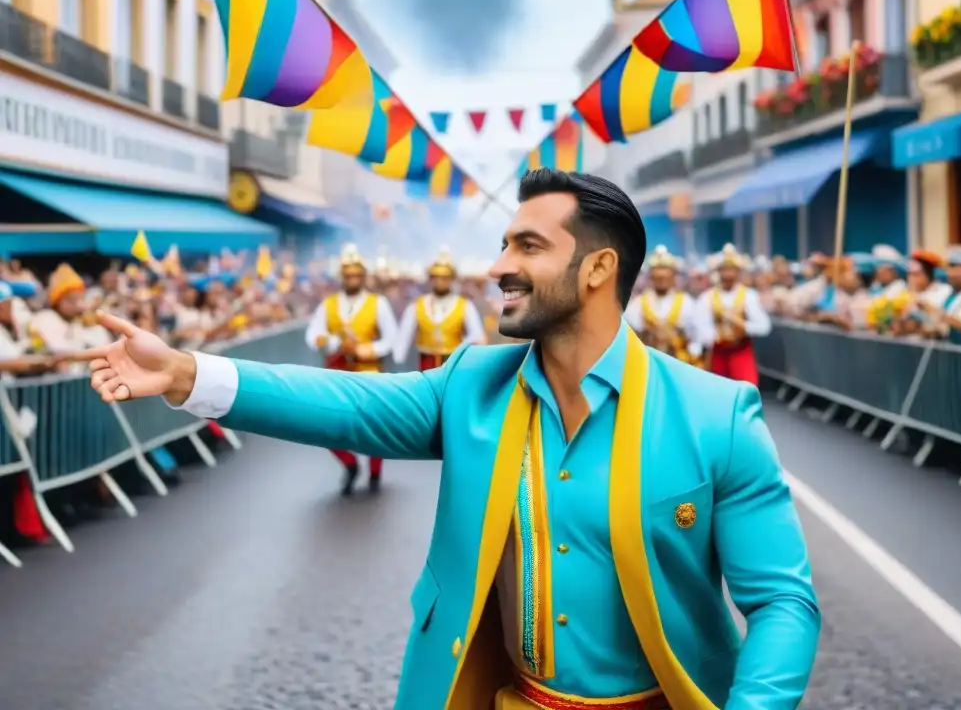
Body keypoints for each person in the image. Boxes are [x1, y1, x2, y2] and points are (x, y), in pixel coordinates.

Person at [74, 169, 820, 710]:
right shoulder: (470, 385)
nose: (498, 267)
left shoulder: (718, 415)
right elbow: (346, 403)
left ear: (598, 269)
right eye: (502, 246)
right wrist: (183, 373)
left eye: (527, 246)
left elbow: (784, 603)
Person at [303, 244, 398, 495]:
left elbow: (390, 338)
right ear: (341, 276)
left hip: (369, 373)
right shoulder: (329, 304)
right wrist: (334, 342)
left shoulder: (378, 303)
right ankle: (350, 463)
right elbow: (313, 335)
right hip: (337, 373)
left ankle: (375, 471)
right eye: (348, 274)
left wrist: (364, 349)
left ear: (363, 276)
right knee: (326, 424)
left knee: (374, 425)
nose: (352, 279)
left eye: (357, 274)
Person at [393, 247, 486, 370]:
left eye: (444, 278)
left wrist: (462, 346)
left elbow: (477, 335)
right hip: (426, 362)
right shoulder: (417, 305)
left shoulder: (464, 305)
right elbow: (404, 336)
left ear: (451, 279)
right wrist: (398, 362)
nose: (440, 282)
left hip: (453, 363)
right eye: (436, 278)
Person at [696, 244, 772, 384]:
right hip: (718, 353)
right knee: (718, 393)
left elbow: (764, 326)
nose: (728, 275)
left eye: (731, 270)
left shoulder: (749, 296)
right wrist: (714, 336)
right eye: (724, 270)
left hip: (741, 351)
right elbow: (701, 326)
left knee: (747, 391)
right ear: (718, 272)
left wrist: (743, 326)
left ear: (738, 272)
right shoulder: (707, 297)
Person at [624, 245, 704, 368]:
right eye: (657, 276)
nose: (661, 279)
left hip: (678, 364)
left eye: (665, 275)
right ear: (651, 276)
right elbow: (629, 335)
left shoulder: (687, 303)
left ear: (673, 276)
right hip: (648, 364)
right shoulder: (638, 303)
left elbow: (697, 337)